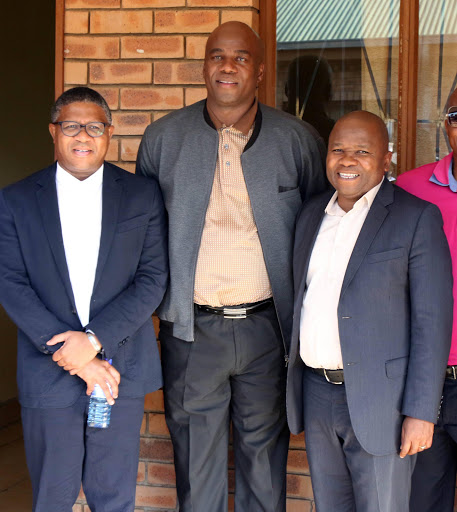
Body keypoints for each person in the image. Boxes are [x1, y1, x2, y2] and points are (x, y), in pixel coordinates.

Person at [136, 21, 327, 512]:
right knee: (196, 471)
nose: (227, 66)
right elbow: (145, 236)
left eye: (241, 57)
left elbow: (317, 234)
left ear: (260, 71)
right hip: (191, 330)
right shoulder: (162, 139)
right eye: (217, 55)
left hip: (270, 330)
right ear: (203, 66)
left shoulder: (297, 140)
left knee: (264, 469)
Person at [0, 87, 168, 512]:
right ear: (53, 132)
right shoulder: (16, 200)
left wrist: (92, 342)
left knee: (113, 498)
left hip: (119, 370)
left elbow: (152, 279)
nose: (83, 136)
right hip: (48, 372)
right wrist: (70, 349)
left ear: (108, 134)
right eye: (71, 125)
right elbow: (10, 282)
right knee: (52, 497)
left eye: (94, 126)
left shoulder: (141, 195)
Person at [286, 110, 453, 511]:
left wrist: (421, 412)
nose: (347, 161)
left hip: (385, 403)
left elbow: (431, 325)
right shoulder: (311, 215)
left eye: (362, 151)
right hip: (317, 393)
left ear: (386, 159)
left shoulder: (415, 218)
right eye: (338, 150)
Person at [396, 88, 457, 512]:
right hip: (426, 385)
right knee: (422, 503)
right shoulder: (411, 188)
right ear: (446, 125)